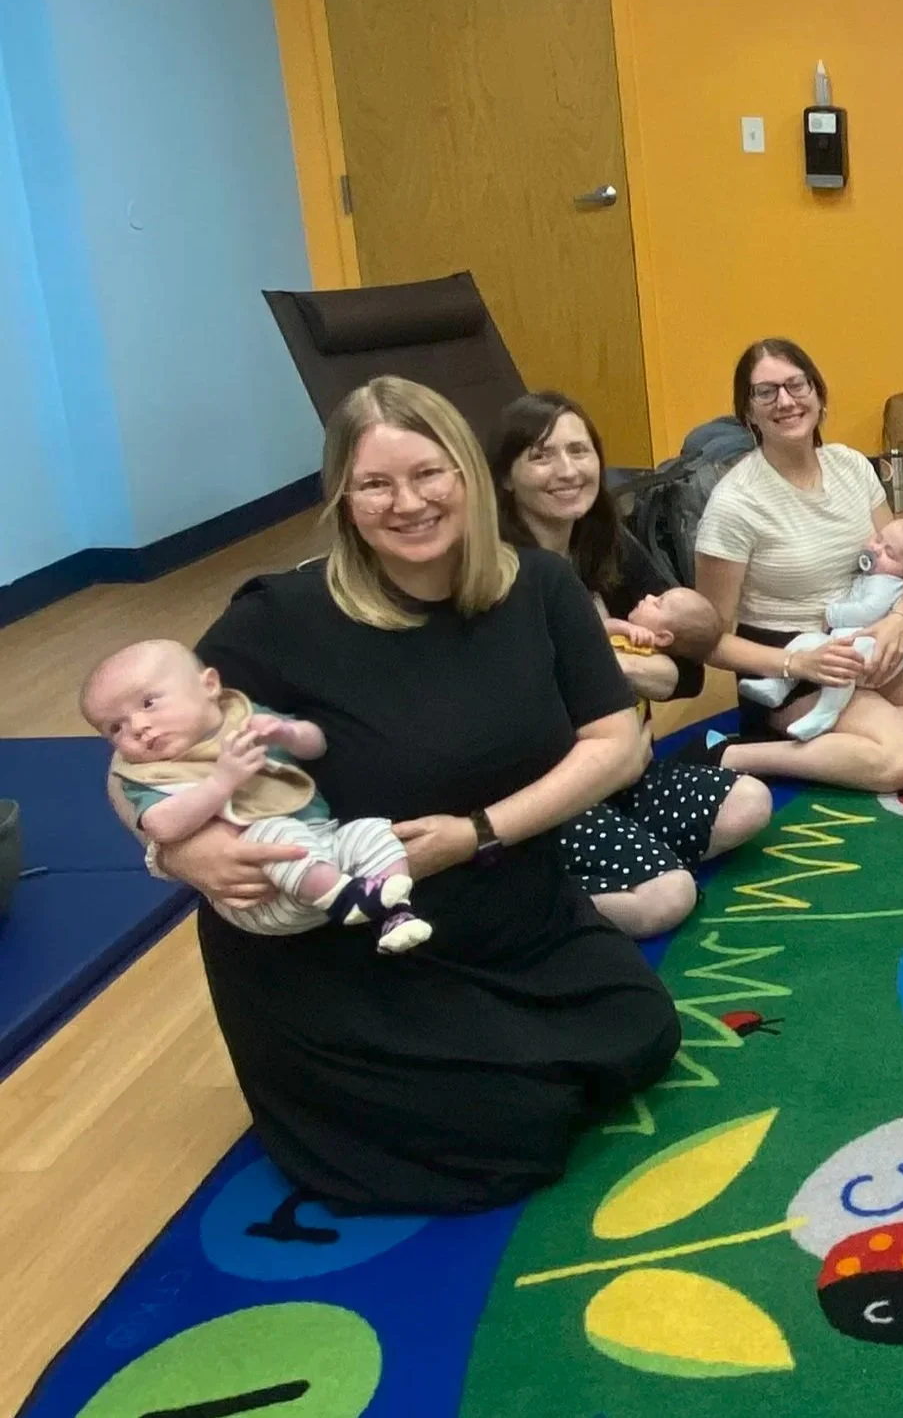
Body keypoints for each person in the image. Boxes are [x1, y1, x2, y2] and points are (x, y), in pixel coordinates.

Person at [133, 376, 677, 1212]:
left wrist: (478, 831)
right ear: (343, 498)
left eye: (428, 474)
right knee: (510, 1130)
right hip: (348, 945)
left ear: (466, 472)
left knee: (645, 1030)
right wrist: (183, 847)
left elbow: (614, 744)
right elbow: (136, 748)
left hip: (508, 896)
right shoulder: (280, 616)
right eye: (375, 483)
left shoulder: (540, 588)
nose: (408, 502)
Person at [492, 391, 773, 937]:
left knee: (749, 803)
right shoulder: (497, 572)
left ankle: (619, 853)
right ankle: (507, 901)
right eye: (542, 455)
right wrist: (620, 668)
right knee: (666, 899)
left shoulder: (606, 544)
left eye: (580, 451)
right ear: (505, 477)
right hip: (550, 796)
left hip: (626, 776)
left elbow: (687, 669)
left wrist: (618, 669)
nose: (568, 470)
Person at [692, 339, 903, 787]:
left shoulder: (852, 467)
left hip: (860, 651)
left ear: (818, 395)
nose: (785, 401)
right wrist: (798, 665)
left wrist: (899, 619)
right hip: (789, 668)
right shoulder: (735, 503)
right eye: (765, 392)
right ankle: (735, 753)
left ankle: (855, 734)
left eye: (797, 385)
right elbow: (707, 639)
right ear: (747, 413)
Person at [87, 639, 429, 953]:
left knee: (372, 831)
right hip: (265, 894)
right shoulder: (149, 775)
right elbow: (161, 826)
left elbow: (316, 745)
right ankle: (345, 898)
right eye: (115, 727)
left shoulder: (243, 717)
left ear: (209, 686)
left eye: (149, 703)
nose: (138, 727)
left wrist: (287, 733)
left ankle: (393, 914)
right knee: (273, 831)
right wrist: (221, 783)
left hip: (325, 847)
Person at [738, 518, 903, 741]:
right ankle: (777, 685)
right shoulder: (876, 574)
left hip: (873, 651)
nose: (875, 549)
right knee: (805, 642)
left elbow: (868, 611)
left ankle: (827, 711)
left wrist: (831, 614)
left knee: (842, 658)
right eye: (878, 539)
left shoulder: (886, 583)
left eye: (889, 554)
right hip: (850, 639)